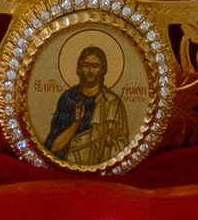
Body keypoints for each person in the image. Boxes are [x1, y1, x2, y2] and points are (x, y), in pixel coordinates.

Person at [40, 39, 136, 171]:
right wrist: (76, 122)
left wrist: (108, 142)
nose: (90, 70)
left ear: (103, 69)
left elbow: (123, 143)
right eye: (86, 65)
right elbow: (54, 147)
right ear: (79, 69)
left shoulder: (113, 103)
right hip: (67, 169)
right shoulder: (69, 99)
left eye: (95, 66)